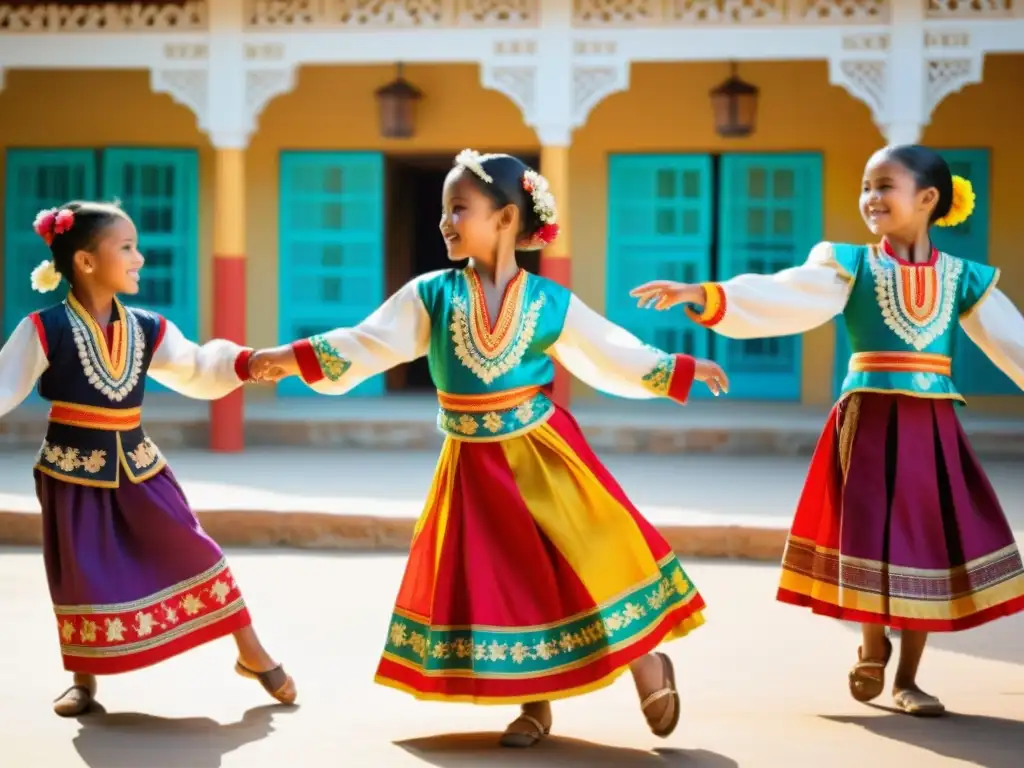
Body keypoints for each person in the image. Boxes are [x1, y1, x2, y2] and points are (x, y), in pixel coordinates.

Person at [249, 150, 728, 747]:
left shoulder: (549, 302)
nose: (445, 221)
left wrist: (678, 368)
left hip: (544, 452)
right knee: (507, 580)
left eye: (459, 208)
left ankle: (646, 662)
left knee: (597, 551)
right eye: (443, 209)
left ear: (505, 218)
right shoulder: (431, 294)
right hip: (472, 464)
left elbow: (610, 351)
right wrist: (290, 360)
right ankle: (533, 705)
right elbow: (367, 342)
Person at [629, 144, 1024, 717]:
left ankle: (908, 678)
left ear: (928, 199)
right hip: (864, 422)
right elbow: (782, 294)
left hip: (930, 428)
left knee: (925, 543)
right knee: (867, 532)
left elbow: (1013, 340)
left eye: (885, 185)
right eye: (866, 186)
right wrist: (706, 294)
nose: (870, 198)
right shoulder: (850, 265)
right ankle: (870, 644)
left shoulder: (966, 280)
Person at [0, 201, 296, 716]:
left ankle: (252, 654)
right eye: (128, 247)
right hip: (72, 472)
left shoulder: (147, 327)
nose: (140, 257)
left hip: (140, 466)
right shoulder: (43, 329)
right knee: (80, 574)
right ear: (87, 262)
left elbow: (198, 365)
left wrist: (247, 363)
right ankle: (83, 680)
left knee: (196, 550)